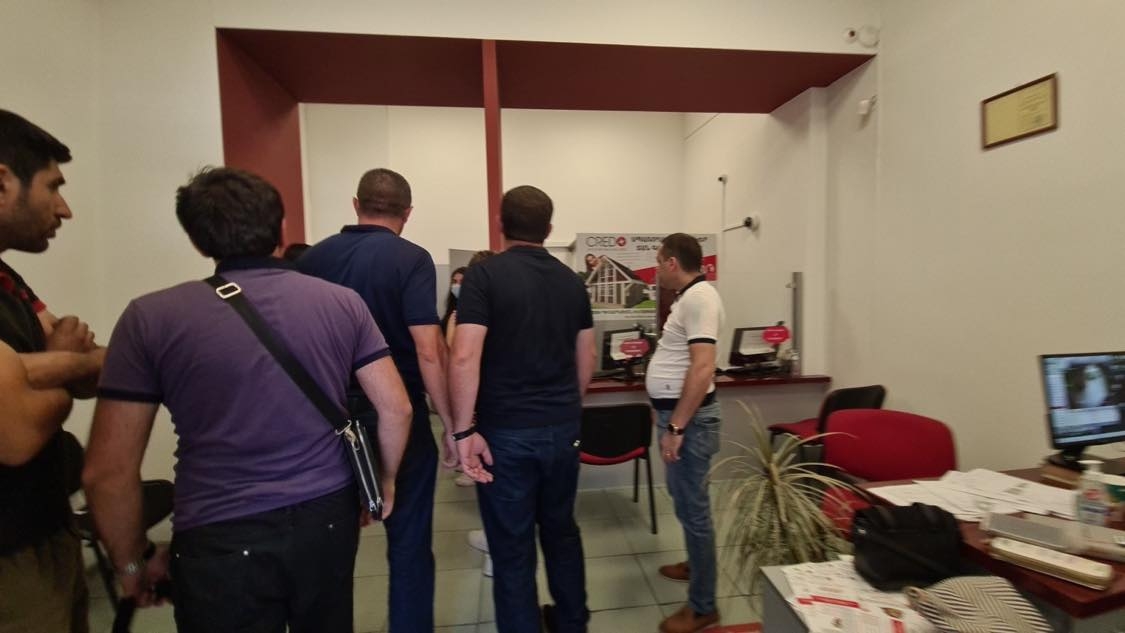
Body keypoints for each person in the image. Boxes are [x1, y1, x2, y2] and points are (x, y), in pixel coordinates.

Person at [81, 168, 412, 633]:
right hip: (325, 518)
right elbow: (397, 408)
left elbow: (107, 472)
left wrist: (132, 562)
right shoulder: (342, 303)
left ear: (197, 239)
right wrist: (386, 481)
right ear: (281, 228)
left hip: (217, 529)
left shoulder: (150, 318)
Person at [298, 167, 456, 633]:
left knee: (328, 551)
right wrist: (452, 424)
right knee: (409, 544)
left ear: (356, 205)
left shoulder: (312, 260)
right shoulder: (412, 259)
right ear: (408, 212)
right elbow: (429, 350)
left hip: (327, 421)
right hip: (398, 414)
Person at [450, 185, 595, 633]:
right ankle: (572, 623)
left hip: (505, 436)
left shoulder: (484, 277)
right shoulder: (573, 282)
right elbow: (586, 359)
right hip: (562, 429)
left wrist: (462, 431)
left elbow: (464, 356)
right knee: (561, 531)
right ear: (548, 229)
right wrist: (565, 408)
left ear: (500, 223)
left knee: (512, 547)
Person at [0, 109, 104, 633]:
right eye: (53, 186)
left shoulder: (8, 278)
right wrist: (62, 366)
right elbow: (16, 432)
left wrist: (32, 371)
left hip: (44, 531)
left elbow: (95, 367)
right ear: (2, 182)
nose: (65, 208)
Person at [645, 233, 726, 633]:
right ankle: (697, 565)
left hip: (688, 424)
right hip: (677, 418)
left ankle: (703, 606)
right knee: (684, 501)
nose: (656, 271)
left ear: (672, 262)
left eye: (659, 262)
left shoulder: (699, 298)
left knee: (694, 510)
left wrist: (676, 426)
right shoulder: (689, 297)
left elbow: (702, 367)